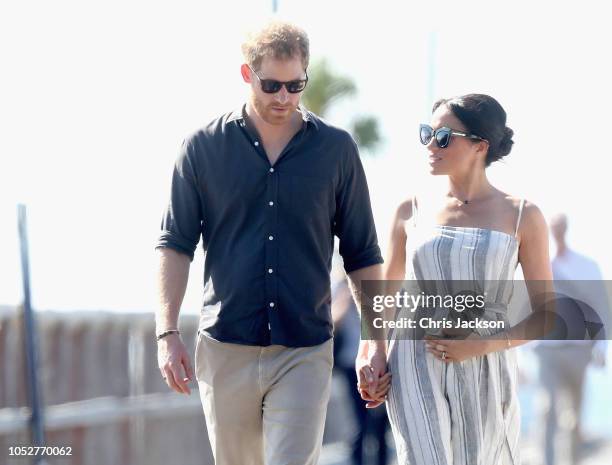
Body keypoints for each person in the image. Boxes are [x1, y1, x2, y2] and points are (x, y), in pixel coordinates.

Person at [154, 20, 386, 465]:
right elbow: (174, 243)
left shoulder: (336, 151)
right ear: (247, 75)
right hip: (226, 347)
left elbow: (362, 253)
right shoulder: (201, 148)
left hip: (305, 347)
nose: (284, 97)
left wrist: (374, 340)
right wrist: (167, 334)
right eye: (272, 85)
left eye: (296, 85)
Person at [364, 94, 554, 464]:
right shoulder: (410, 209)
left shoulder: (522, 216)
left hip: (487, 369)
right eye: (427, 134)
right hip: (414, 363)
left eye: (444, 137)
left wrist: (480, 346)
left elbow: (546, 315)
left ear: (480, 146)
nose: (431, 145)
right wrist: (372, 353)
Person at [534, 213, 608, 465]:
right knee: (548, 410)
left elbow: (600, 305)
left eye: (559, 226)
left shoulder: (587, 266)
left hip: (579, 350)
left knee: (575, 414)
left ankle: (574, 460)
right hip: (548, 350)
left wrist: (601, 347)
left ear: (566, 228)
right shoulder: (537, 264)